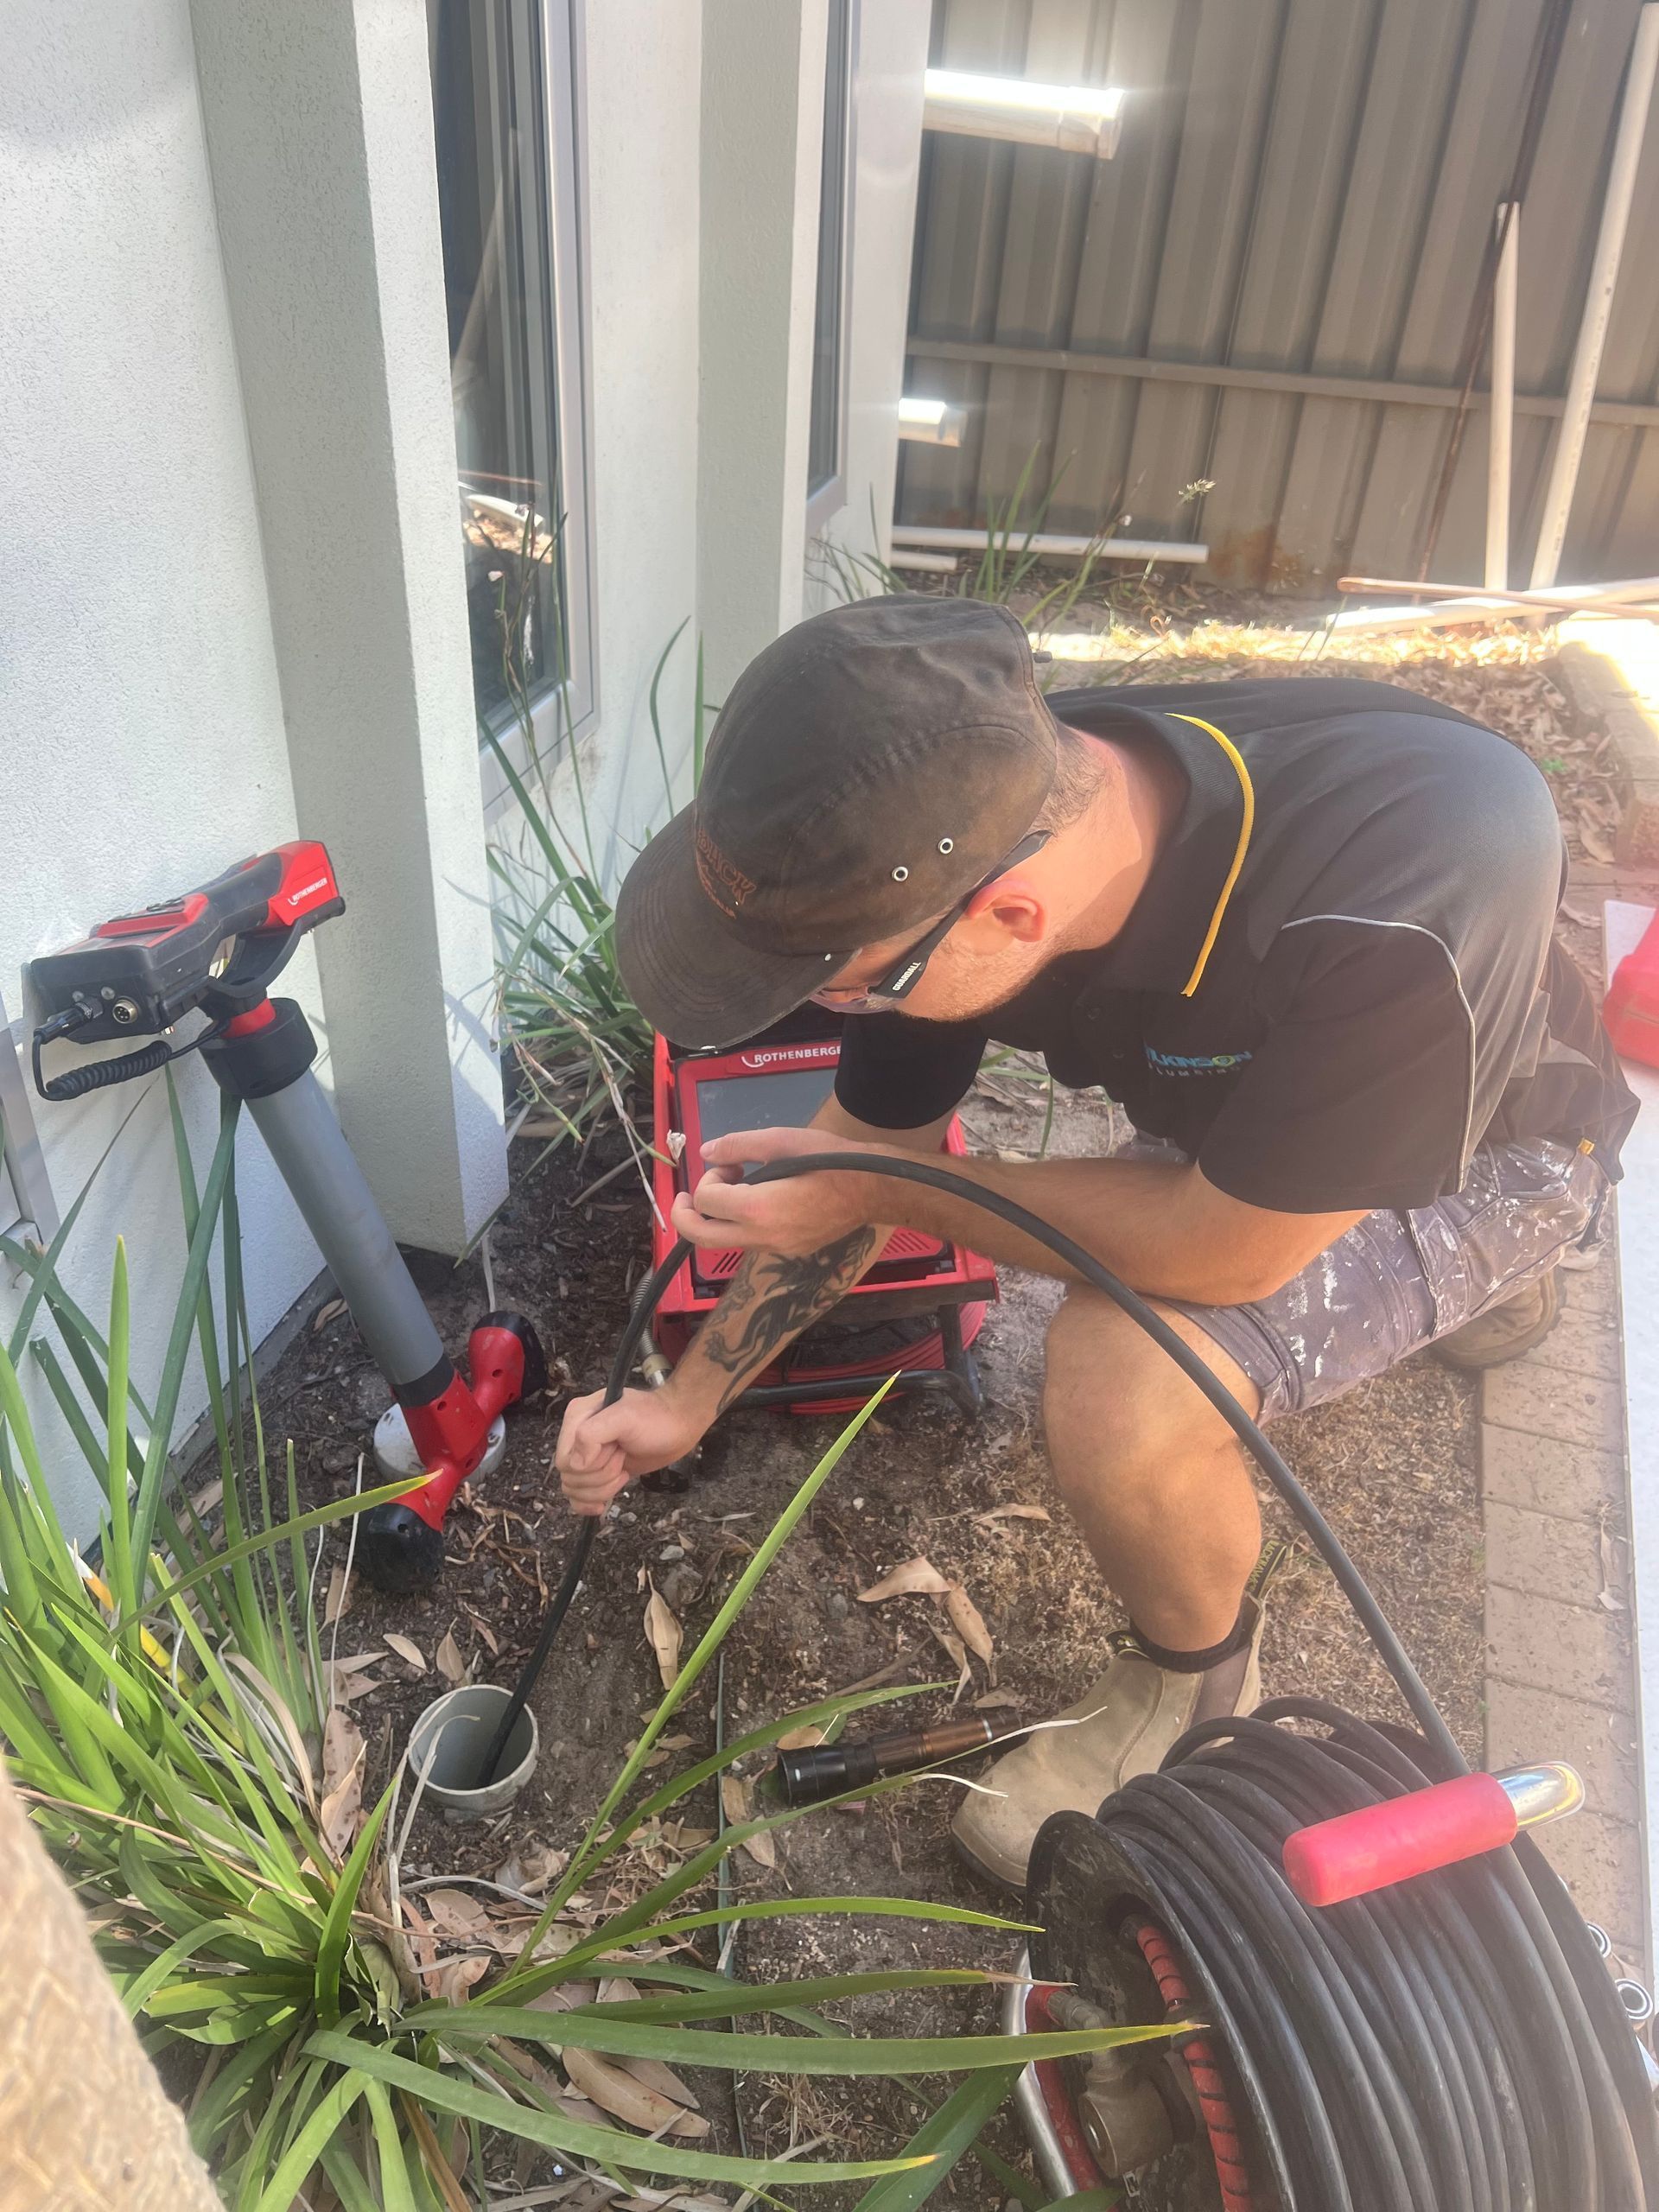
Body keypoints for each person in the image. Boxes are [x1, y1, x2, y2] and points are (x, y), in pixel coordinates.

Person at [555, 596, 1637, 1892]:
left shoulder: (1401, 900)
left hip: (1501, 1146)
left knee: (1124, 1378)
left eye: (837, 987)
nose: (822, 1014)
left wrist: (881, 1188)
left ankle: (1195, 1687)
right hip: (1264, 1110)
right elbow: (862, 1150)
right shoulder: (977, 817)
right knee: (1162, 1202)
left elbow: (1228, 1254)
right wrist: (689, 1396)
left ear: (1004, 919)